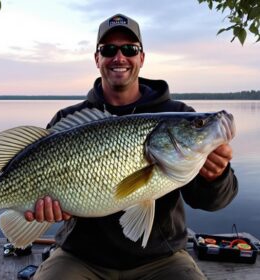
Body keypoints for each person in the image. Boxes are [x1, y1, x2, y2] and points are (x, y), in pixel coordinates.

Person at [25, 13, 238, 280]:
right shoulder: (68, 122)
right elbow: (46, 202)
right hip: (80, 256)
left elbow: (210, 202)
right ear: (97, 58)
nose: (119, 57)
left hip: (162, 258)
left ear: (141, 58)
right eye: (109, 49)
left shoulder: (177, 113)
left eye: (129, 49)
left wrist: (217, 177)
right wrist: (47, 212)